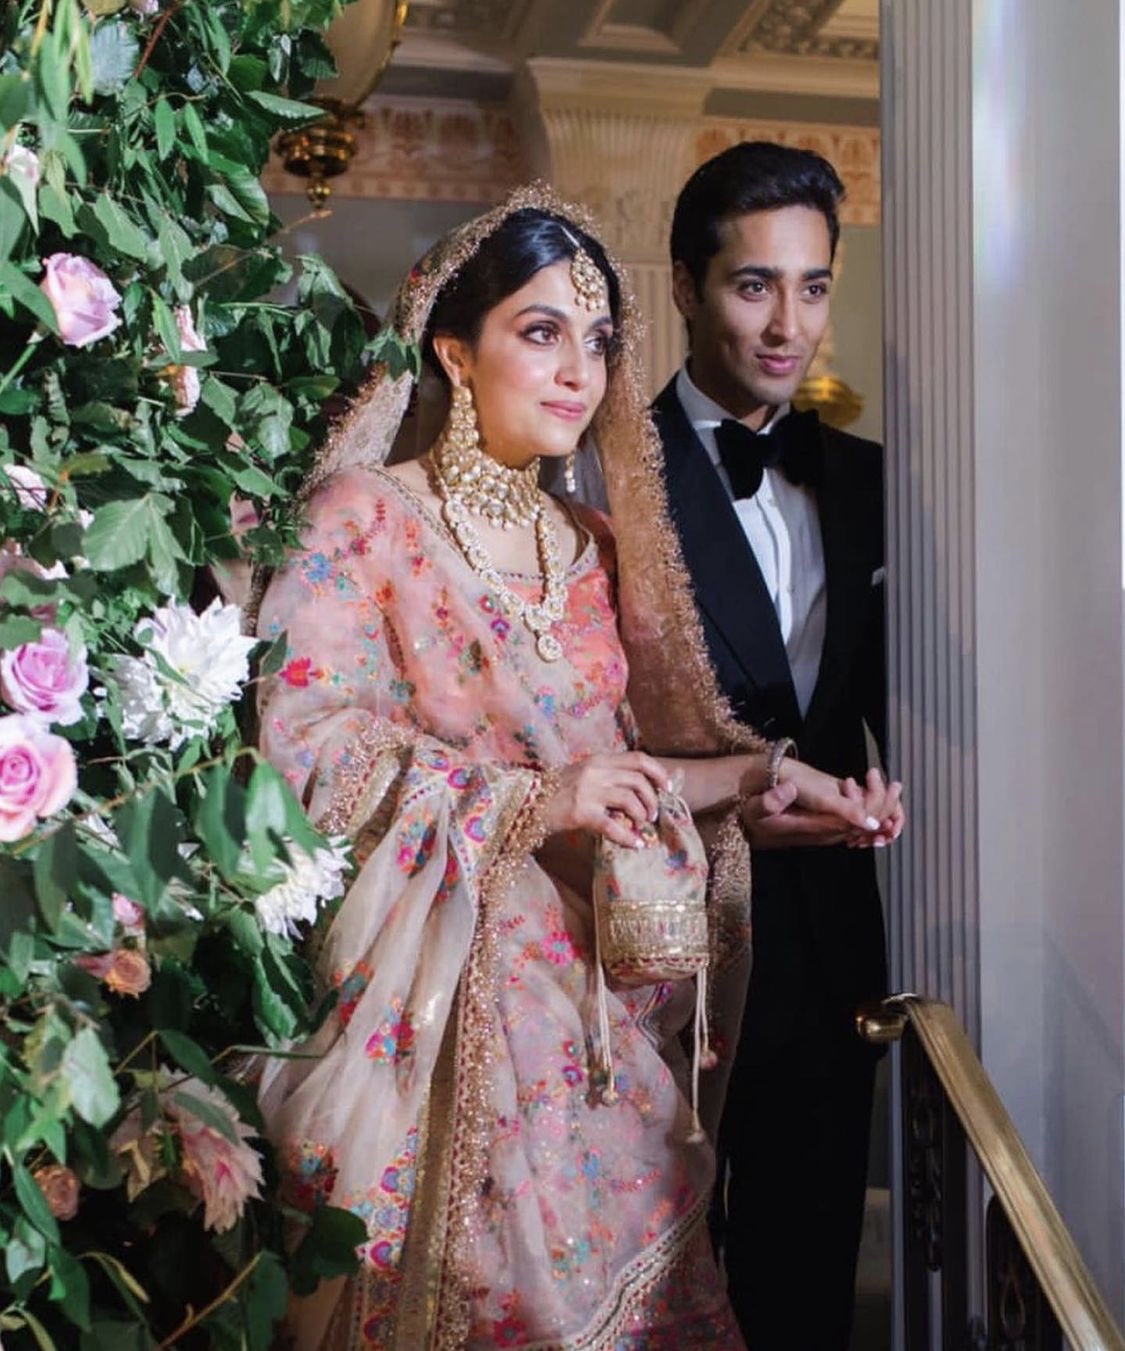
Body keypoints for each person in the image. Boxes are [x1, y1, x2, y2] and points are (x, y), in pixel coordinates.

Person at [252, 186, 899, 1350]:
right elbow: (306, 750)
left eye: (598, 341)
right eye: (541, 332)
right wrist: (530, 799)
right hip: (443, 1007)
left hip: (599, 1012)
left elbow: (620, 769)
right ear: (453, 348)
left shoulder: (590, 546)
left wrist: (760, 779)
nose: (579, 372)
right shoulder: (364, 517)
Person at [652, 140, 903, 1350]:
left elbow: (897, 697)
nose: (787, 323)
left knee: (807, 1279)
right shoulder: (603, 471)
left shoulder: (870, 480)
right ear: (687, 285)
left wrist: (891, 791)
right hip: (665, 944)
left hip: (831, 937)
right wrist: (723, 802)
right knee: (661, 1272)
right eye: (754, 284)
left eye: (812, 286)